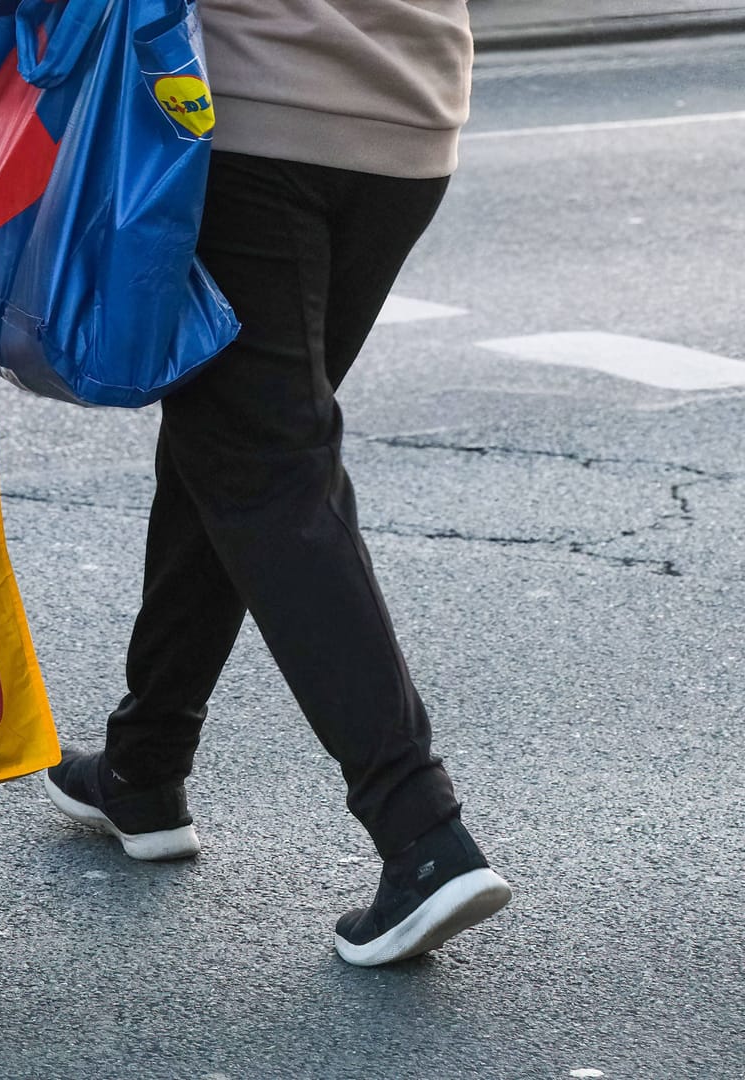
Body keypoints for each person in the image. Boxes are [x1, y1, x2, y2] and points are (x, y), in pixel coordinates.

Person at [41, 0, 513, 966]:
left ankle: (420, 833)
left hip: (247, 112)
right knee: (234, 439)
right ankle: (146, 760)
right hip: (410, 112)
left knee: (266, 470)